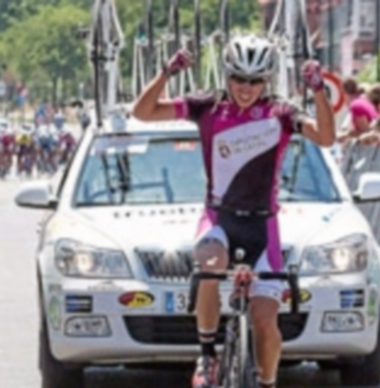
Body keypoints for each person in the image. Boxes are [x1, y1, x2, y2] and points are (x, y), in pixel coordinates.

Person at [131, 34, 335, 388]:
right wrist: (166, 72)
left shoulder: (282, 113)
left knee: (264, 322)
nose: (246, 88)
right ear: (227, 75)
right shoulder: (207, 106)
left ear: (267, 80)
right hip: (219, 217)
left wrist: (318, 91)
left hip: (263, 226)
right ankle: (207, 354)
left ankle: (267, 382)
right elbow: (142, 112)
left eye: (255, 80)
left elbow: (326, 138)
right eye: (239, 78)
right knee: (210, 266)